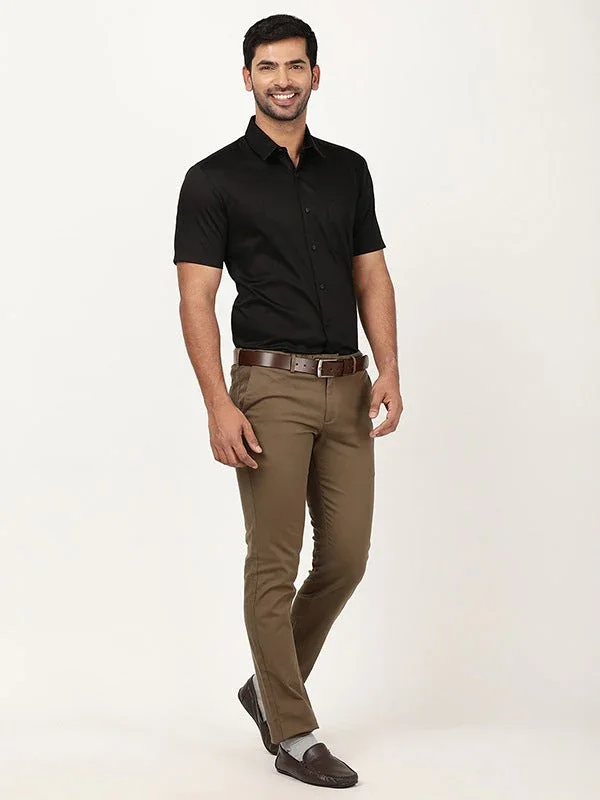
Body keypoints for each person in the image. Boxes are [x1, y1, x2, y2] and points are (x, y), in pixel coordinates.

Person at [172, 13, 403, 789]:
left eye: (295, 65)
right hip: (267, 387)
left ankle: (267, 687)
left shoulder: (349, 171)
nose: (281, 79)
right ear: (247, 77)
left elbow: (371, 273)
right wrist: (217, 403)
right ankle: (294, 734)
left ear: (315, 75)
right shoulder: (213, 179)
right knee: (274, 561)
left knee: (346, 558)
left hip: (348, 384)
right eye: (267, 67)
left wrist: (390, 368)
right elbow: (196, 299)